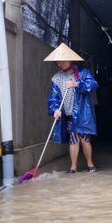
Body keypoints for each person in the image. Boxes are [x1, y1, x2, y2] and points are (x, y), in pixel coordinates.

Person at [44, 43, 99, 173]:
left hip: (82, 114)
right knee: (73, 139)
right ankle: (73, 166)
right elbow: (54, 97)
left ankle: (90, 164)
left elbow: (93, 85)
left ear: (71, 60)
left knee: (85, 139)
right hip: (68, 113)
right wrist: (55, 110)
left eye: (64, 60)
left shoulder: (82, 73)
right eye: (58, 61)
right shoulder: (57, 78)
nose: (61, 63)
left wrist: (77, 84)